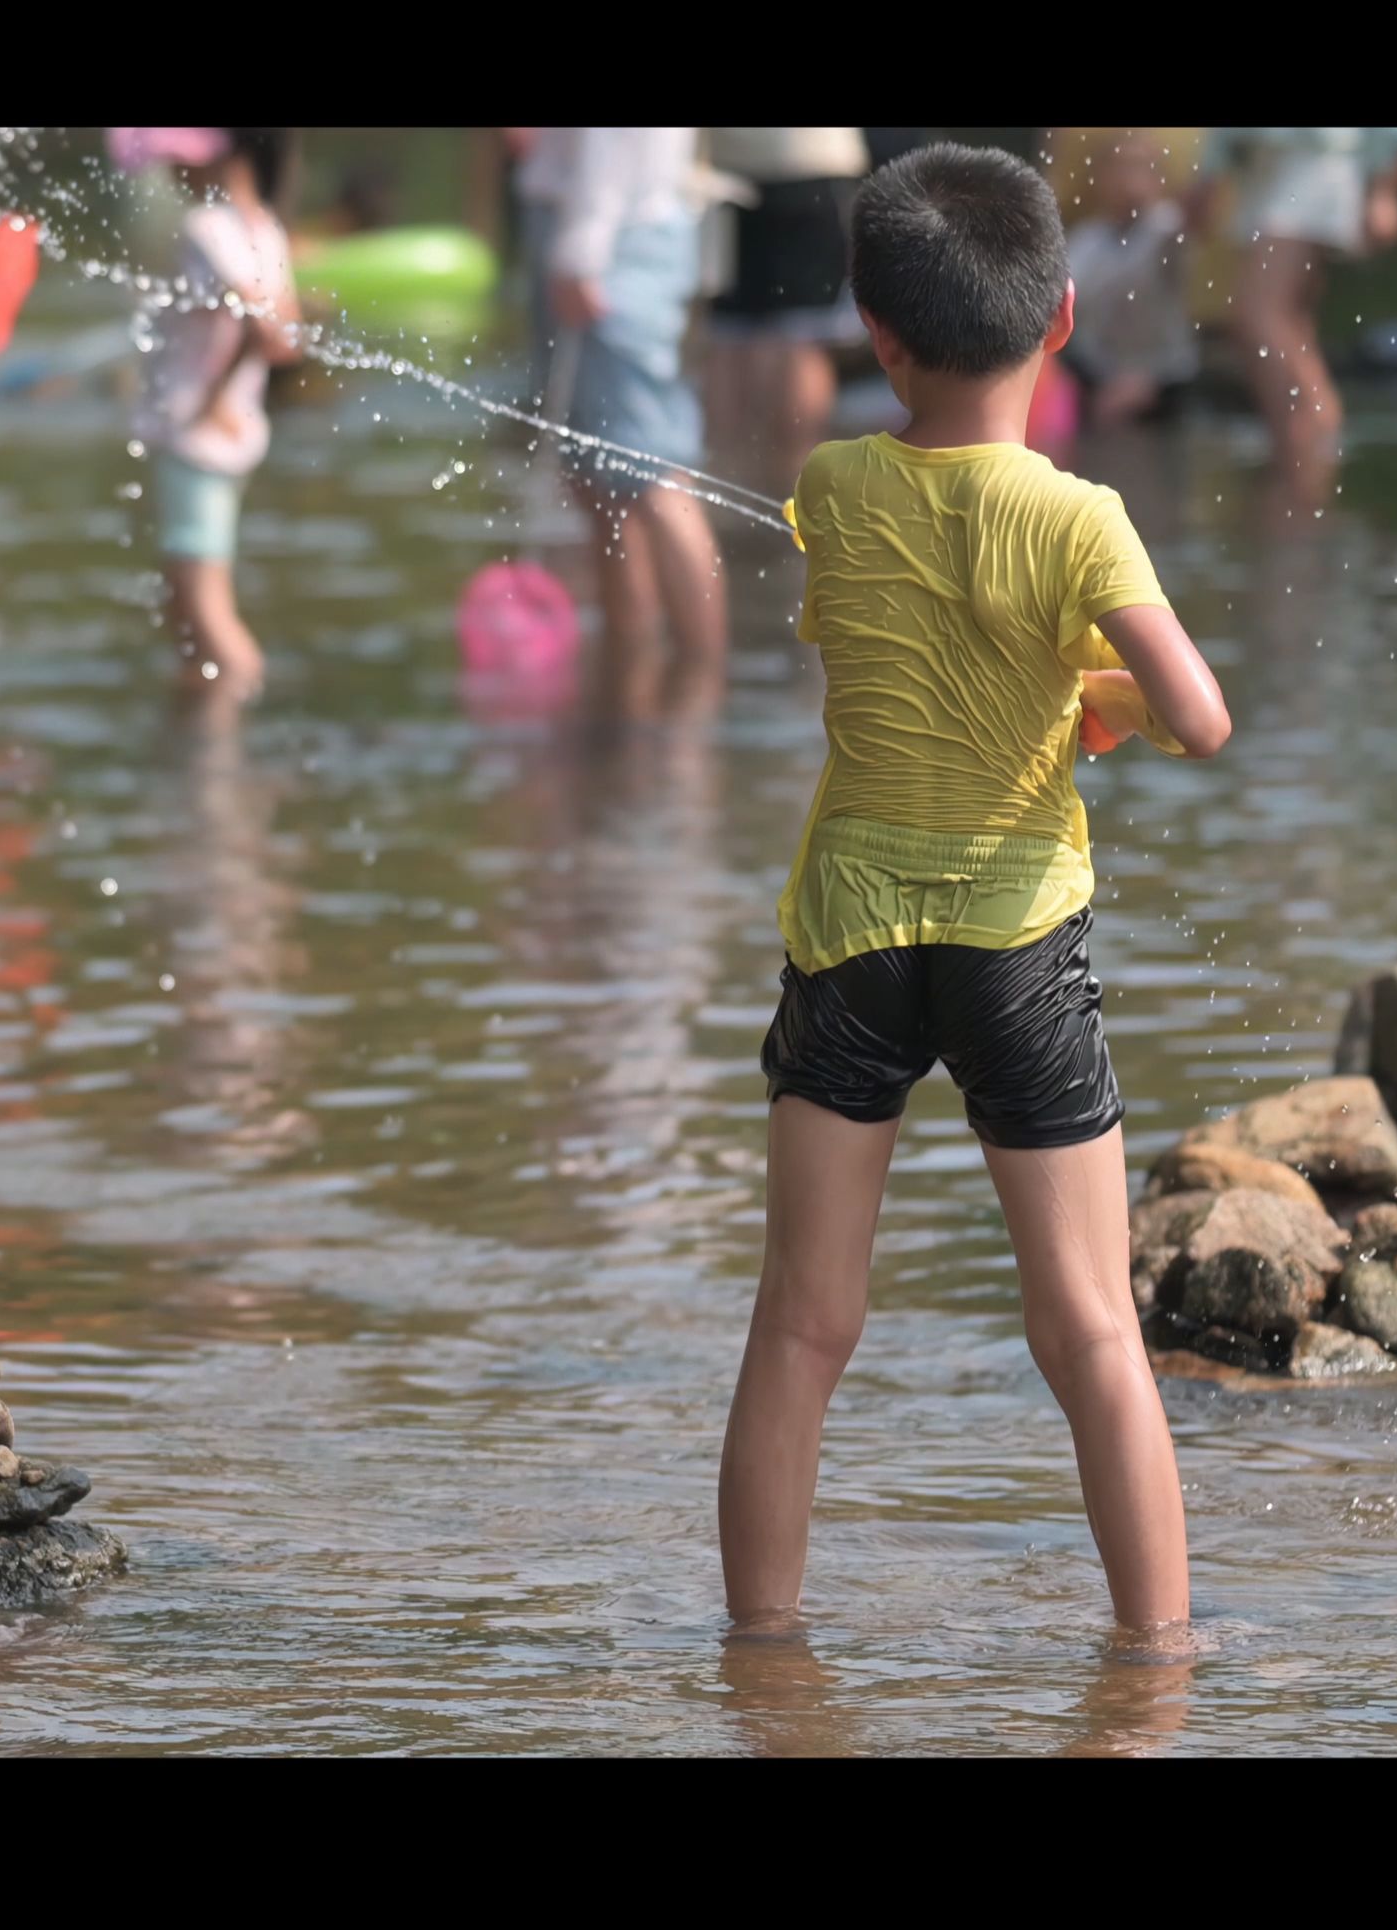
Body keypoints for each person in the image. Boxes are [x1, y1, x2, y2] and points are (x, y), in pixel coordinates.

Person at [726, 142, 1233, 1649]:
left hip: (853, 943)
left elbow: (894, 641)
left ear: (874, 335)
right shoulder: (1080, 519)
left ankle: (761, 1656)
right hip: (1016, 943)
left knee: (803, 1324)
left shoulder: (829, 485)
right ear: (1061, 318)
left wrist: (1052, 685)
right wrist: (1103, 701)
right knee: (1088, 1326)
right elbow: (1197, 716)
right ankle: (1153, 1662)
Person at [525, 126, 726, 716]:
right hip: (613, 231)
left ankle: (701, 691)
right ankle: (632, 684)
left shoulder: (592, 237)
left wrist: (581, 248)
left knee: (654, 474)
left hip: (610, 242)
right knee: (601, 482)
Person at [117, 127, 300, 699]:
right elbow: (285, 334)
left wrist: (212, 398)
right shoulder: (263, 227)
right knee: (185, 597)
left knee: (202, 604)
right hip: (234, 432)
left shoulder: (207, 229)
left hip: (197, 434)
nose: (171, 171)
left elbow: (266, 327)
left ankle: (229, 731)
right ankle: (203, 719)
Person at [1187, 127, 1397, 491]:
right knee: (1289, 327)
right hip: (1259, 171)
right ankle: (1305, 476)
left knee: (1258, 316)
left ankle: (1307, 454)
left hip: (1314, 165)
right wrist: (1210, 173)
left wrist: (1384, 187)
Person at [703, 127, 870, 479]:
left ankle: (728, 483)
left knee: (731, 334)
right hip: (807, 165)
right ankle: (796, 483)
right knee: (800, 336)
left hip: (728, 166)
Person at [1064, 134, 1200, 426]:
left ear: (1159, 178)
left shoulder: (1167, 226)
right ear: (1100, 178)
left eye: (1138, 167)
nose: (1127, 178)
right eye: (1118, 167)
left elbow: (1186, 234)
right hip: (1096, 374)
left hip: (1163, 378)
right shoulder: (1087, 239)